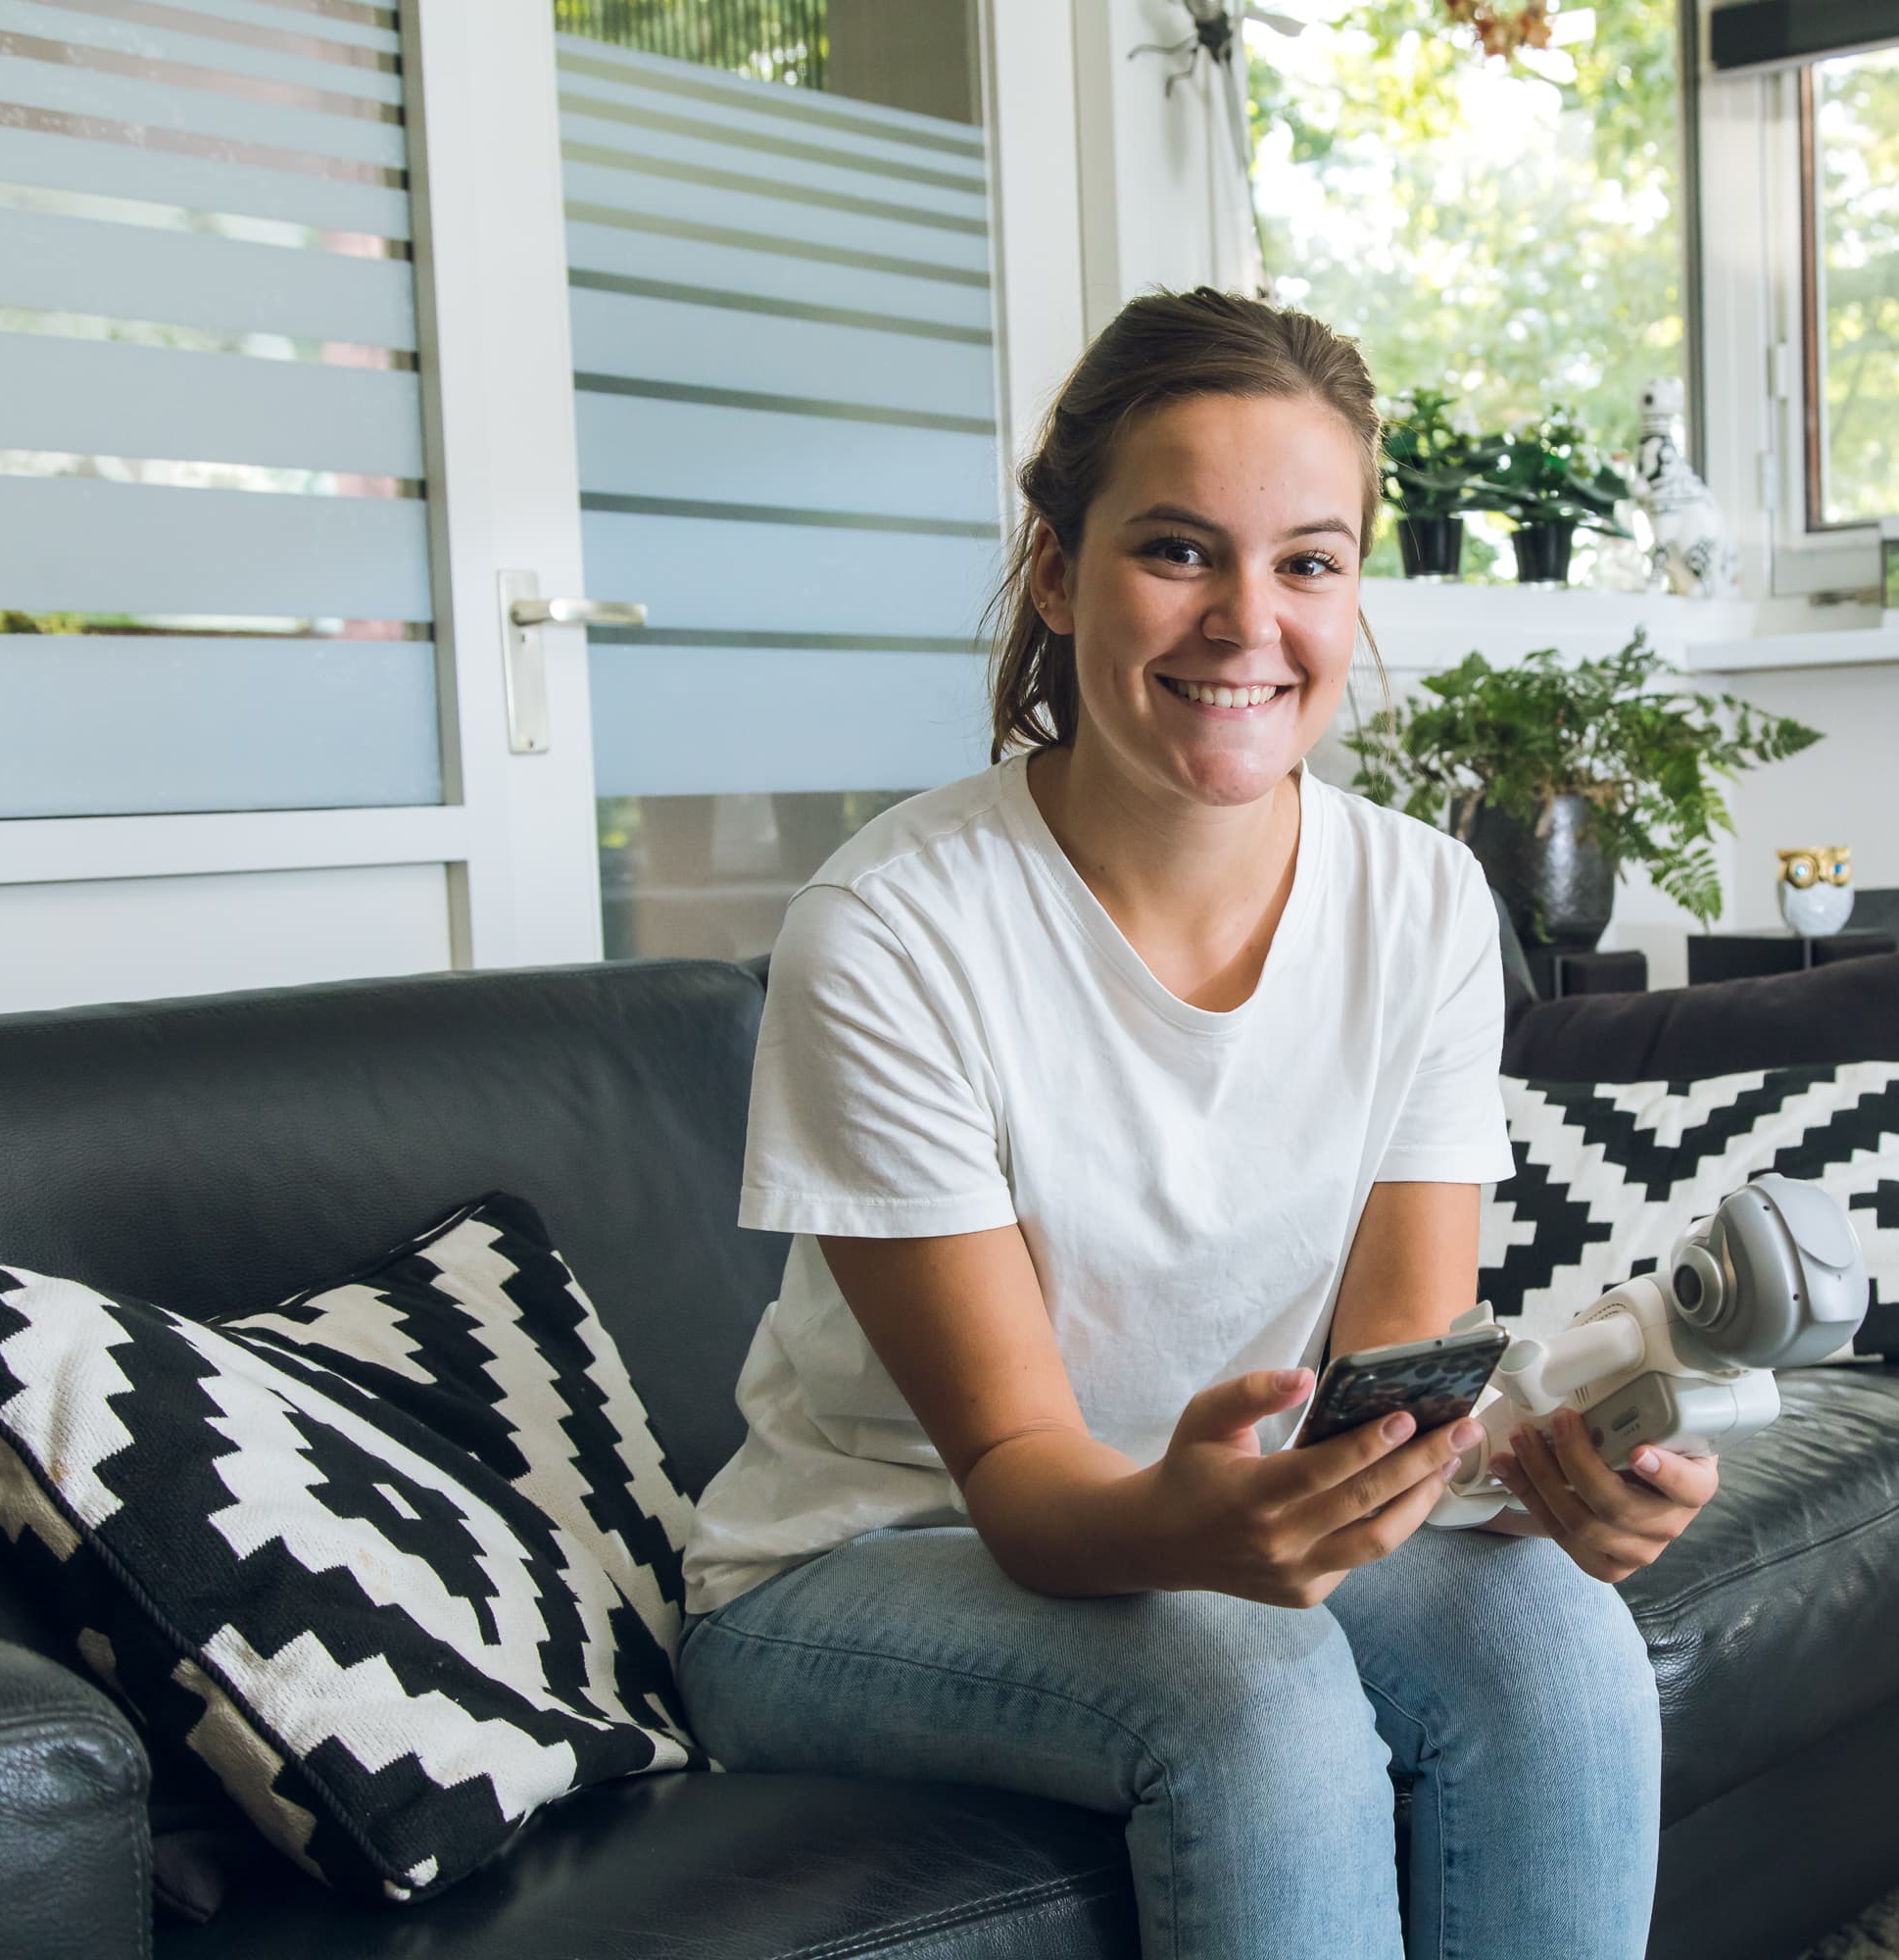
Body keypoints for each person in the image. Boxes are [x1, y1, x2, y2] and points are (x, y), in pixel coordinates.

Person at [678, 287, 1715, 1959]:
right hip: (863, 1558)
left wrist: (1546, 1481)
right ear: (1055, 568)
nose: (1249, 624)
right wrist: (1219, 1529)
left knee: (1551, 1631)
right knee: (1249, 1676)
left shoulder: (1428, 903)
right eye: (1178, 550)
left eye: (1308, 561)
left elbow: (1389, 1396)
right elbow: (1022, 1483)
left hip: (1224, 1519)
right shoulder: (889, 931)